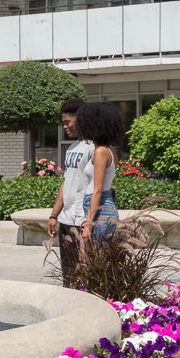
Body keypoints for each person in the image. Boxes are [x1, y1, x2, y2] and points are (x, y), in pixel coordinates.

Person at [46, 99, 125, 284]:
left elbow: (98, 189)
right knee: (70, 275)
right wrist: (54, 214)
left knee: (87, 271)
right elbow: (67, 181)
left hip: (86, 216)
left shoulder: (97, 150)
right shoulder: (73, 148)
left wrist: (88, 222)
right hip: (69, 218)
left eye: (68, 122)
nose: (65, 127)